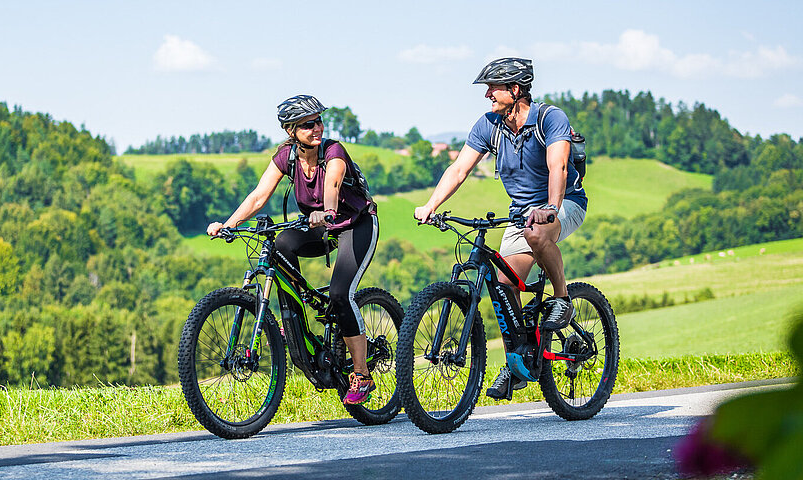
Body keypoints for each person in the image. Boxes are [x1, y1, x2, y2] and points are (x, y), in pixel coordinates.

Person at [413, 58, 588, 401]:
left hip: (564, 202)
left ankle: (562, 299)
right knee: (505, 281)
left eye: (493, 88)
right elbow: (459, 168)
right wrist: (431, 204)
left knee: (537, 235)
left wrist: (551, 207)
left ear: (515, 90)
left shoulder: (549, 118)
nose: (487, 95)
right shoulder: (489, 124)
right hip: (520, 214)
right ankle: (518, 359)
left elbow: (559, 165)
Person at [206, 94, 379, 405]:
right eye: (307, 124)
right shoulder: (285, 157)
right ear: (291, 131)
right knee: (283, 244)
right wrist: (227, 224)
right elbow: (259, 196)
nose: (317, 128)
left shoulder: (333, 151)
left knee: (341, 294)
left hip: (356, 224)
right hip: (320, 227)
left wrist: (326, 211)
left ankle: (362, 374)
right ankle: (294, 324)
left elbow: (333, 186)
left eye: (319, 121)